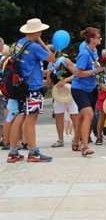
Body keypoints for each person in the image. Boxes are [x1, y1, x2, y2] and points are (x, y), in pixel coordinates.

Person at [6, 18, 56, 163]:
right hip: (33, 87)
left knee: (20, 116)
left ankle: (13, 151)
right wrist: (41, 43)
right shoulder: (35, 47)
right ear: (37, 32)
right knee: (31, 118)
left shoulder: (20, 43)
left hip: (21, 86)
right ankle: (33, 152)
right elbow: (52, 58)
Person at [70, 27, 103, 157]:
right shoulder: (84, 53)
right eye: (98, 37)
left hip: (90, 87)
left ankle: (75, 142)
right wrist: (96, 71)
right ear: (91, 39)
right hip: (79, 88)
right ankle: (85, 146)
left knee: (82, 117)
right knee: (89, 115)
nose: (100, 39)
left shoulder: (94, 51)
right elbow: (79, 73)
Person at [48, 46, 77, 148]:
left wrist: (66, 80)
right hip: (58, 93)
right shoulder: (50, 65)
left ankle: (77, 138)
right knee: (58, 115)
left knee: (74, 115)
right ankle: (60, 139)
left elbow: (76, 74)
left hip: (70, 90)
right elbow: (48, 83)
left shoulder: (65, 60)